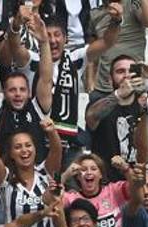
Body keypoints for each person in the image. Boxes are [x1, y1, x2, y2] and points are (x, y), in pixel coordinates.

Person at [18, 12, 122, 155]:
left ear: (65, 39)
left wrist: (116, 21)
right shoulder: (32, 60)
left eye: (57, 35)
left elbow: (107, 42)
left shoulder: (75, 58)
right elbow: (14, 48)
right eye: (47, 35)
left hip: (70, 142)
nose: (53, 40)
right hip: (38, 140)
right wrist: (15, 26)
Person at [0, 15, 52, 163]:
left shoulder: (38, 108)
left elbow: (46, 78)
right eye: (12, 90)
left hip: (37, 177)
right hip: (6, 179)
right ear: (4, 93)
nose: (18, 94)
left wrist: (44, 42)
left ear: (29, 92)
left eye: (22, 89)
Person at [61, 153, 132, 227]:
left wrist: (126, 169)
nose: (89, 172)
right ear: (78, 176)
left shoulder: (113, 191)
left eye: (94, 169)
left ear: (100, 174)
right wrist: (65, 176)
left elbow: (137, 187)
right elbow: (51, 201)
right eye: (84, 169)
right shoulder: (71, 199)